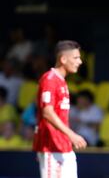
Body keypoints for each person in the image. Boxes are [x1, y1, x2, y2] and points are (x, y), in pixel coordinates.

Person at [32, 40, 87, 178]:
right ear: (63, 59)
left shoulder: (61, 81)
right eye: (76, 58)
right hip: (52, 146)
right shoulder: (49, 79)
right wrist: (72, 135)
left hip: (63, 146)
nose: (80, 61)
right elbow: (47, 112)